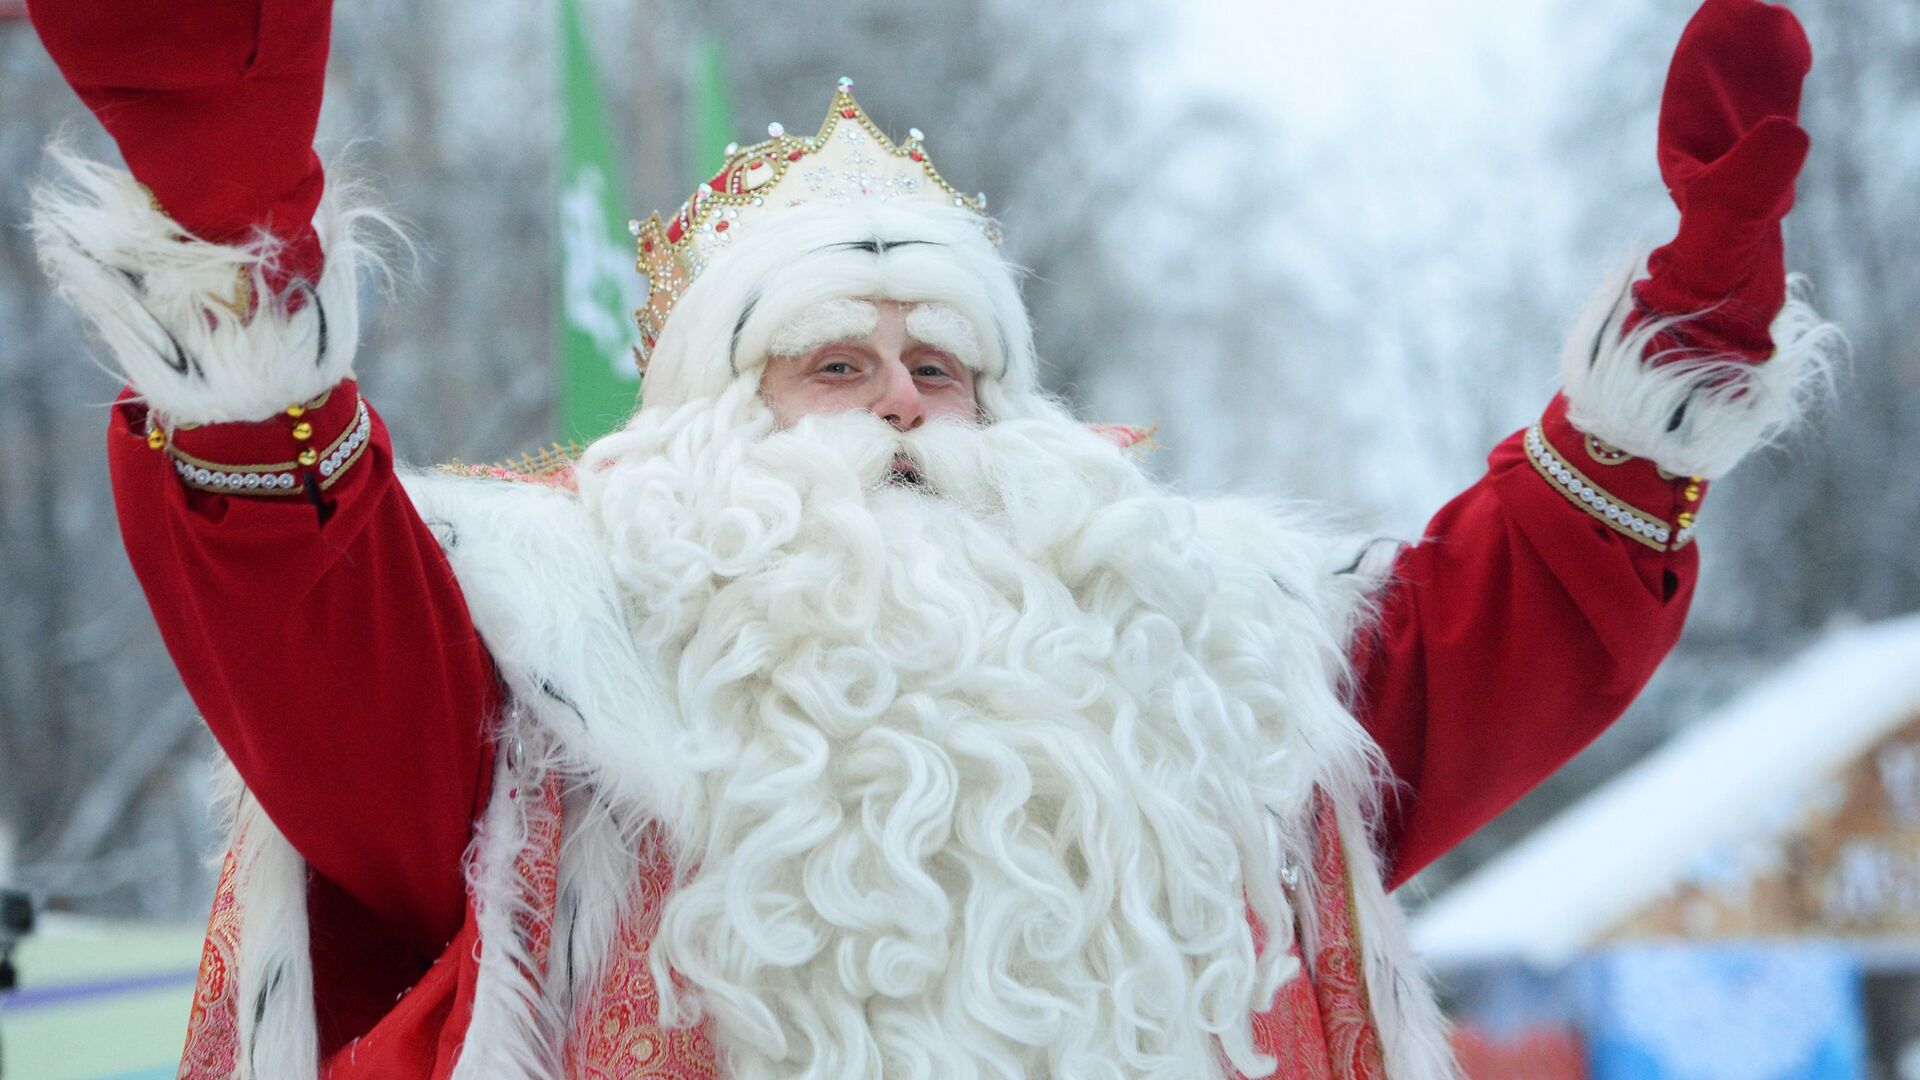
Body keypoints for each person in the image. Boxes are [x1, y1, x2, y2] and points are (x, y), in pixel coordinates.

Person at [25, 0, 1836, 1076]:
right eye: (833, 361)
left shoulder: (1200, 667)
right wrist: (232, 237)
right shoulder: (552, 665)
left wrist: (1671, 358)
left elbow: (1492, 629)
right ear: (710, 419)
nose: (903, 402)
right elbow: (309, 623)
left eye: (944, 365)